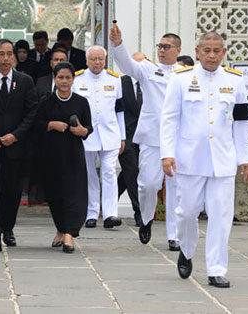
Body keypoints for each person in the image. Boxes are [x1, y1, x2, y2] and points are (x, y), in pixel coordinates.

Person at [161, 31, 248, 288]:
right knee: (186, 212)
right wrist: (167, 153)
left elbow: (242, 122)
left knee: (221, 216)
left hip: (223, 160)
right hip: (189, 159)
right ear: (198, 51)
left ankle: (216, 268)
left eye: (216, 51)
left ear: (223, 53)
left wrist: (246, 156)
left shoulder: (235, 80)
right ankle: (187, 250)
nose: (211, 56)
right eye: (206, 51)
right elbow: (169, 119)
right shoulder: (180, 79)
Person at [109, 25, 183, 251]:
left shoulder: (187, 75)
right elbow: (126, 65)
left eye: (167, 47)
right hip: (153, 137)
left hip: (180, 139)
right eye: (160, 46)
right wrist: (118, 44)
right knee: (148, 185)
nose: (162, 50)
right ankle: (147, 218)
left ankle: (175, 236)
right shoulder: (149, 70)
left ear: (177, 50)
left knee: (177, 189)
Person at [0, 38, 38, 252]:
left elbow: (31, 113)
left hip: (15, 147)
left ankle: (8, 229)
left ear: (14, 56)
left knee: (12, 193)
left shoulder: (25, 81)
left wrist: (16, 135)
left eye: (9, 54)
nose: (5, 58)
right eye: (1, 54)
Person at [34, 62, 92, 253]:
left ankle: (69, 234)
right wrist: (51, 124)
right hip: (51, 155)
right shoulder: (46, 101)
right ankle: (60, 229)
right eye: (61, 77)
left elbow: (88, 128)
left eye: (68, 77)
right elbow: (36, 125)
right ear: (54, 79)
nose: (64, 81)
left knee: (74, 194)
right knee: (55, 195)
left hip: (73, 155)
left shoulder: (81, 102)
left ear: (73, 79)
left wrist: (82, 130)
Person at [73, 46, 125, 229]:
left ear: (105, 60)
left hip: (110, 134)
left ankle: (111, 214)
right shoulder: (77, 79)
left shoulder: (114, 79)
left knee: (109, 172)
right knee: (89, 174)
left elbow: (120, 111)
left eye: (100, 59)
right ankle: (92, 213)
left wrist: (123, 137)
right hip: (87, 135)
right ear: (87, 61)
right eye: (93, 59)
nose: (97, 63)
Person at [117, 74, 143, 227]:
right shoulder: (121, 82)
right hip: (125, 136)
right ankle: (139, 211)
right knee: (132, 171)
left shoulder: (150, 81)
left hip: (145, 135)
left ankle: (107, 201)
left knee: (127, 172)